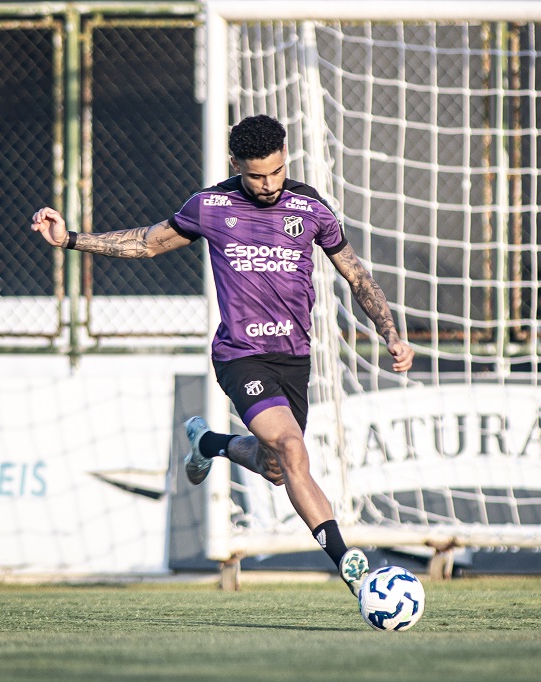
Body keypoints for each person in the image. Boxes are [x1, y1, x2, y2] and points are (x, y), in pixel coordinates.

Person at [31, 114, 413, 596]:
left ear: (285, 156)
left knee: (277, 469)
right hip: (240, 356)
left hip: (293, 358)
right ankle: (349, 564)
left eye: (276, 171)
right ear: (235, 164)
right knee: (292, 448)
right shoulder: (211, 206)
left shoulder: (311, 208)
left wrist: (390, 333)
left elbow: (356, 276)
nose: (268, 184)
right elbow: (147, 243)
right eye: (256, 175)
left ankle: (210, 443)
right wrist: (69, 239)